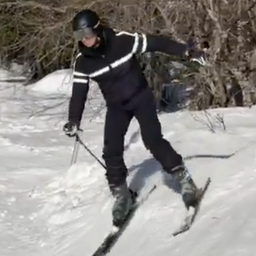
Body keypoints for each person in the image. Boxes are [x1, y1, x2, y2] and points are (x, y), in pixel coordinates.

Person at [63, 9, 207, 227]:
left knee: (153, 140)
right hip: (117, 106)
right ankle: (122, 195)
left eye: (88, 33)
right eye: (79, 35)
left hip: (140, 97)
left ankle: (185, 181)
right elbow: (79, 93)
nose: (85, 39)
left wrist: (186, 51)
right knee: (111, 149)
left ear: (98, 28)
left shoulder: (122, 41)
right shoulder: (83, 61)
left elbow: (156, 43)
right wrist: (74, 120)